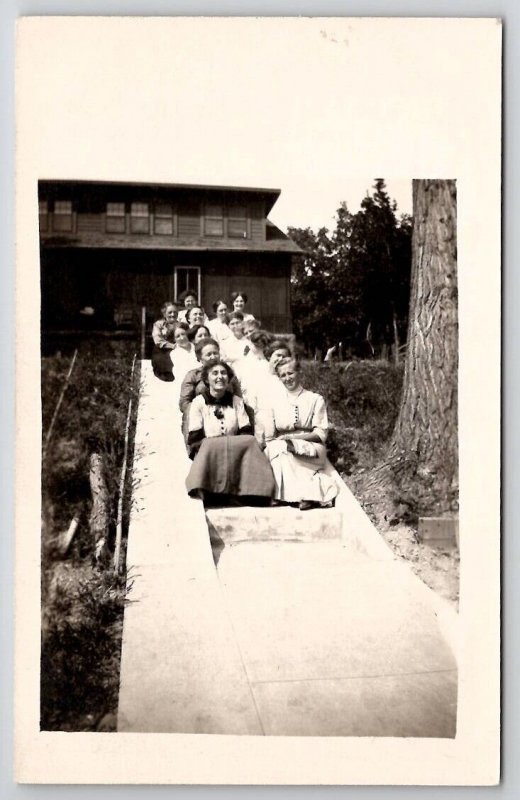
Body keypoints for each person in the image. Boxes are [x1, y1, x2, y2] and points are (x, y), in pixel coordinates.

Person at [185, 361, 275, 505]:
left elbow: (245, 432)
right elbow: (195, 439)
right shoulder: (198, 402)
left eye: (223, 373)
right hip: (210, 453)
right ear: (206, 379)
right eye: (215, 373)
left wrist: (231, 444)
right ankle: (211, 490)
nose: (220, 377)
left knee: (251, 442)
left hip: (235, 451)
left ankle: (252, 492)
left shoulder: (236, 401)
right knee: (210, 445)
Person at [263, 358, 339, 510]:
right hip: (281, 445)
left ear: (299, 373)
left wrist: (293, 438)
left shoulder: (315, 399)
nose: (287, 378)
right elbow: (270, 437)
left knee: (284, 449)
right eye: (283, 375)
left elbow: (320, 434)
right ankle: (306, 495)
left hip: (311, 445)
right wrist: (279, 441)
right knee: (276, 449)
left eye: (290, 373)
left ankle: (288, 496)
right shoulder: (273, 401)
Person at [179, 337, 242, 414]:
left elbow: (239, 398)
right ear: (200, 359)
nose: (213, 357)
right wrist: (203, 412)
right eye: (208, 354)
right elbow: (184, 403)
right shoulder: (193, 375)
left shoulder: (228, 373)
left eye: (215, 353)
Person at [151, 301, 177, 382]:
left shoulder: (181, 325)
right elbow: (158, 341)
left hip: (177, 351)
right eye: (170, 312)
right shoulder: (158, 324)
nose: (172, 314)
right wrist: (173, 346)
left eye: (175, 312)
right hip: (161, 351)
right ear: (164, 314)